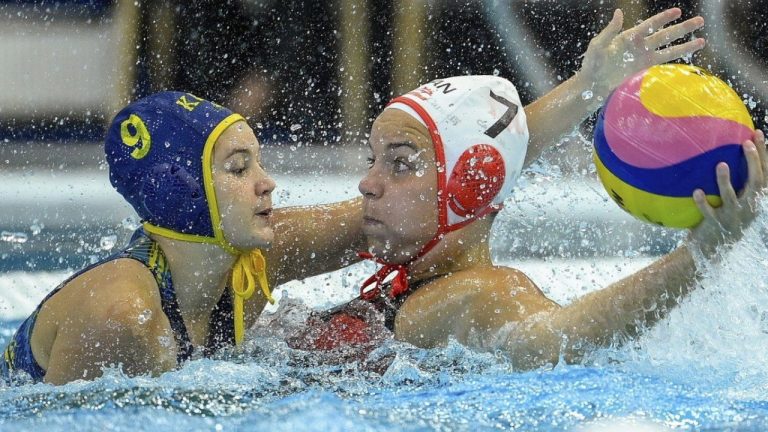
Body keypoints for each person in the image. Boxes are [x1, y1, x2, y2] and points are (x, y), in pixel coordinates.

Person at [286, 10, 768, 369]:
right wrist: (589, 86)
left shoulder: (479, 294)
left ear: (469, 190)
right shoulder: (405, 277)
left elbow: (552, 341)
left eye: (400, 164)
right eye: (374, 161)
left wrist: (698, 254)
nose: (367, 184)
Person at [1, 92, 364, 385]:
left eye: (259, 162)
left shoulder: (251, 261)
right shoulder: (124, 317)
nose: (267, 182)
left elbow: (393, 221)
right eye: (239, 167)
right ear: (182, 192)